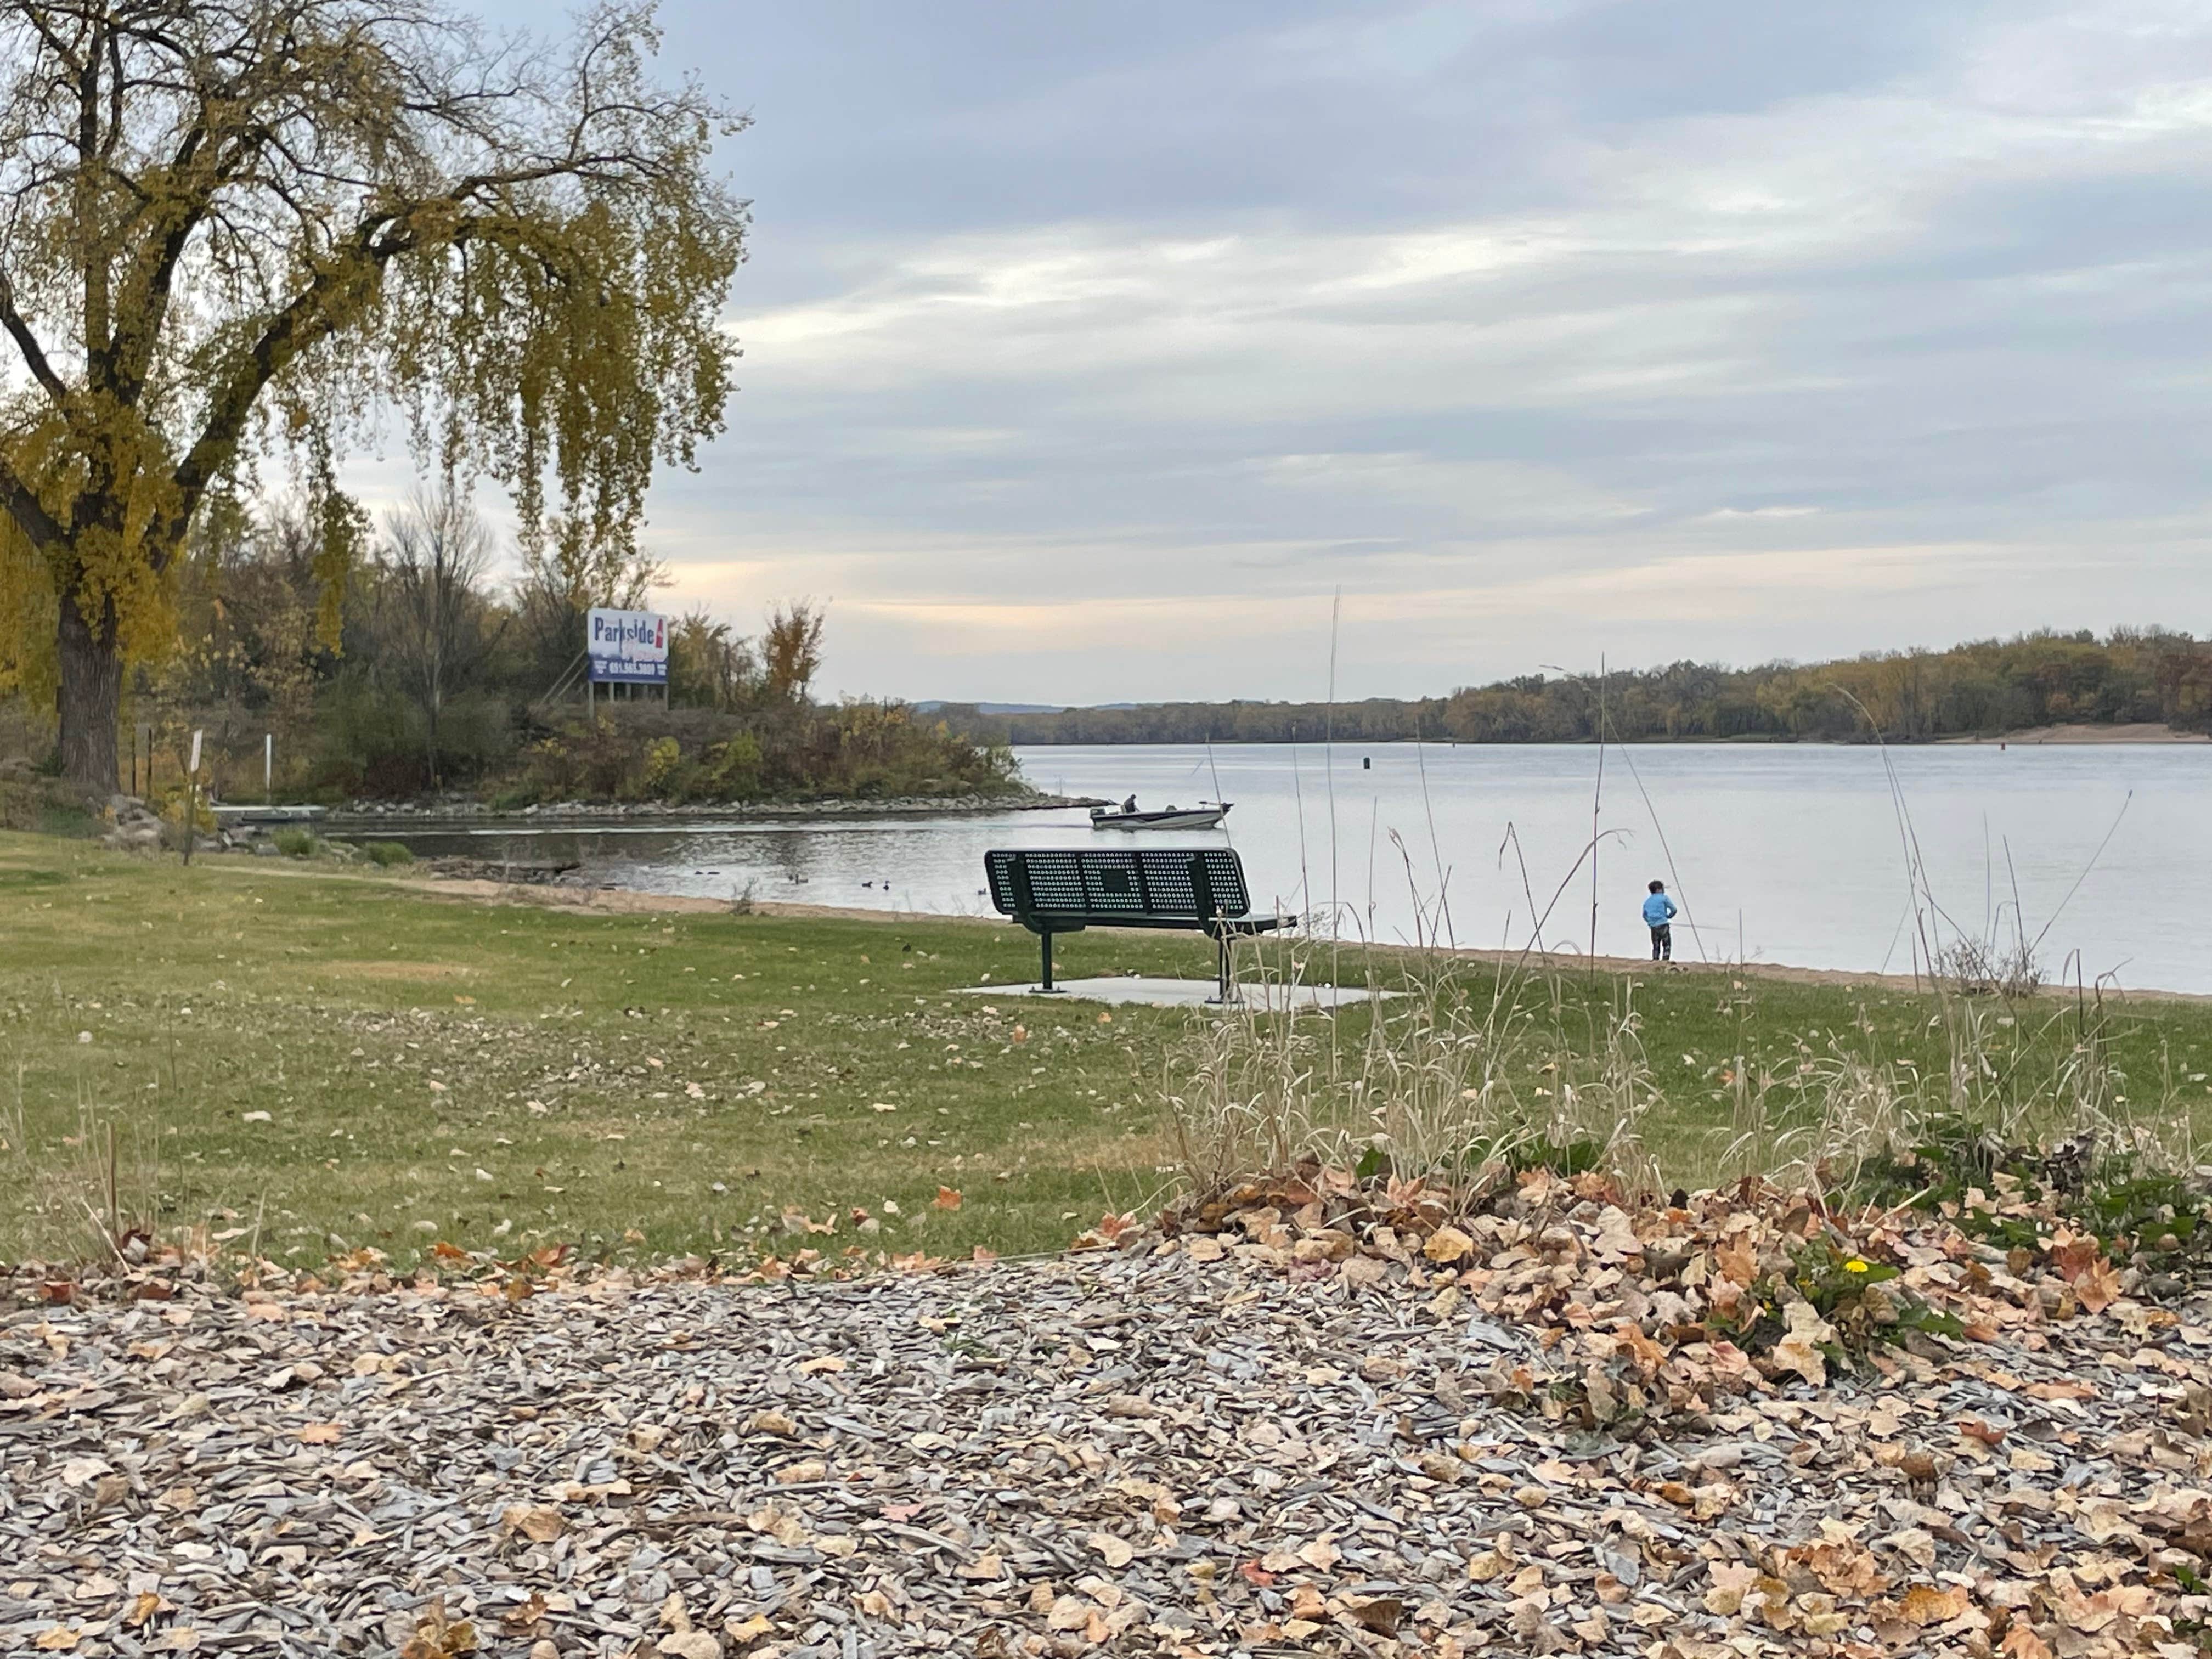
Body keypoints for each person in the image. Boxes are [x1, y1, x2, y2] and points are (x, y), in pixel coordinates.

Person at [1642, 879, 1677, 962]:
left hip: (1653, 926)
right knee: (1666, 944)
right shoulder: (1664, 898)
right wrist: (1669, 916)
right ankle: (1665, 960)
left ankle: (1655, 960)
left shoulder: (1648, 901)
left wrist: (1650, 922)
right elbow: (1674, 909)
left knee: (1656, 944)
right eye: (1662, 889)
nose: (1663, 890)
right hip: (1663, 924)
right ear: (1658, 890)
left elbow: (1645, 915)